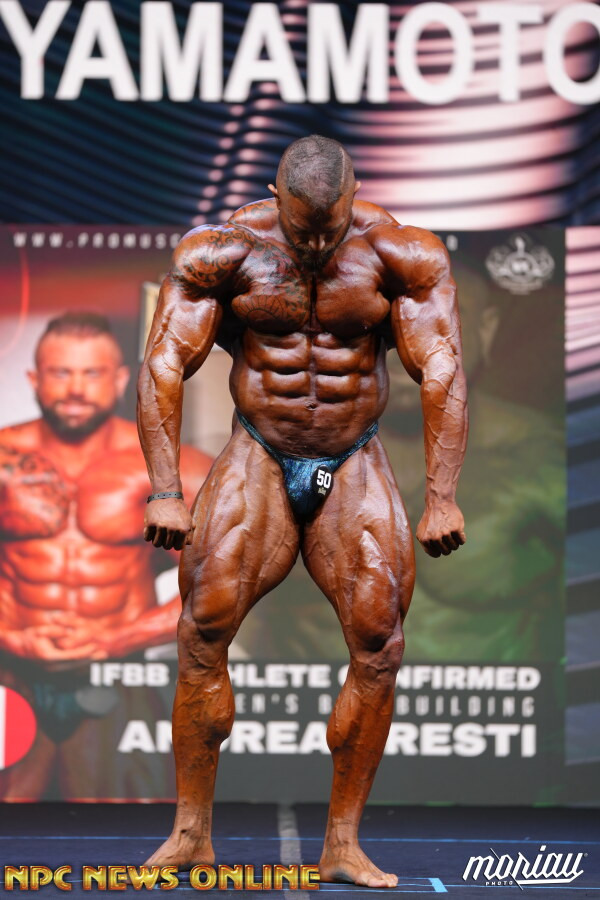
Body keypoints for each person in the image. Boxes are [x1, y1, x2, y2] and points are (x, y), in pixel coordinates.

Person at [138, 135, 468, 888]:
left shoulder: (401, 254)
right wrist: (165, 489)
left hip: (354, 455)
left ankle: (343, 844)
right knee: (202, 630)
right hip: (259, 449)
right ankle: (190, 834)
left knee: (379, 642)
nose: (317, 245)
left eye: (330, 227)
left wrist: (442, 496)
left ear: (354, 197)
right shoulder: (222, 252)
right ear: (275, 198)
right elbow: (165, 362)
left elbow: (441, 368)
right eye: (301, 228)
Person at [0, 312, 211, 799]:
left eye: (91, 373)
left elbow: (215, 587)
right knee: (9, 812)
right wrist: (12, 638)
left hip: (118, 676)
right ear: (34, 378)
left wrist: (111, 640)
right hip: (11, 670)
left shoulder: (170, 471)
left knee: (118, 817)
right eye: (61, 372)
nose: (76, 388)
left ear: (119, 380)